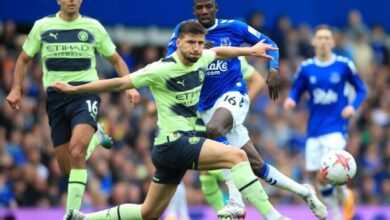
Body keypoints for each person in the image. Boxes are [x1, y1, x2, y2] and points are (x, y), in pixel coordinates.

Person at [55, 20, 291, 220]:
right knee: (237, 156)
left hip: (167, 149)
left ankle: (83, 217)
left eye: (200, 43)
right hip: (175, 142)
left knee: (148, 213)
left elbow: (218, 52)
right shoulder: (160, 69)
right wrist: (74, 89)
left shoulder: (202, 58)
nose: (196, 48)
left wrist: (250, 52)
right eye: (190, 42)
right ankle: (273, 216)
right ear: (178, 43)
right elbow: (118, 83)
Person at [166, 1, 327, 219]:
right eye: (199, 7)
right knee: (256, 165)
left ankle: (235, 201)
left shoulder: (234, 28)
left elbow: (270, 43)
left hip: (234, 94)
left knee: (215, 130)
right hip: (204, 106)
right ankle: (304, 191)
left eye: (208, 6)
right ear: (194, 10)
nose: (204, 11)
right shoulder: (184, 31)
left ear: (216, 8)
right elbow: (169, 61)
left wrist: (274, 69)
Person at [5, 0, 140, 218]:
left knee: (77, 151)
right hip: (56, 99)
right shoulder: (42, 26)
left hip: (85, 94)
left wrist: (130, 87)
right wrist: (16, 89)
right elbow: (23, 59)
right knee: (68, 169)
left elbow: (116, 60)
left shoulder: (93, 26)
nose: (71, 1)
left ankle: (71, 214)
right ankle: (96, 138)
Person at [163, 56, 265, 220]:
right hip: (199, 122)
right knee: (203, 171)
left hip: (219, 123)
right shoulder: (193, 56)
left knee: (232, 167)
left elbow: (258, 80)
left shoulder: (233, 55)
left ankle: (266, 212)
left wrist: (236, 110)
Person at [283, 24, 367, 220]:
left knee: (326, 172)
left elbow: (361, 89)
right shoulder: (306, 68)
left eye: (327, 38)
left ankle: (337, 214)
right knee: (318, 178)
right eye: (319, 38)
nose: (323, 41)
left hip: (337, 126)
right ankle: (345, 195)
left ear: (332, 42)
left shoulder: (344, 65)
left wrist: (352, 106)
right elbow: (297, 88)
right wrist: (291, 99)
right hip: (314, 129)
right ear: (313, 42)